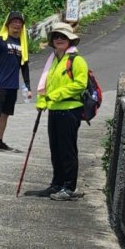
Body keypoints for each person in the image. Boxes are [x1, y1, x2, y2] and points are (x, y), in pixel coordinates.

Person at [25, 22, 88, 201]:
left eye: (63, 37)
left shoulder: (76, 60)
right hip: (54, 110)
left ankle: (68, 187)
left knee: (67, 150)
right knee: (56, 149)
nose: (59, 39)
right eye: (56, 37)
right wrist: (43, 100)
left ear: (70, 40)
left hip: (70, 110)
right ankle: (57, 183)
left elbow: (80, 84)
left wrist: (55, 95)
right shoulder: (53, 60)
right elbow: (47, 85)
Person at [0, 11, 32, 152]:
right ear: (8, 24)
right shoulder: (0, 41)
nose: (17, 25)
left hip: (12, 86)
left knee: (5, 115)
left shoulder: (22, 44)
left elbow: (24, 66)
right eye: (14, 22)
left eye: (20, 22)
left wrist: (28, 86)